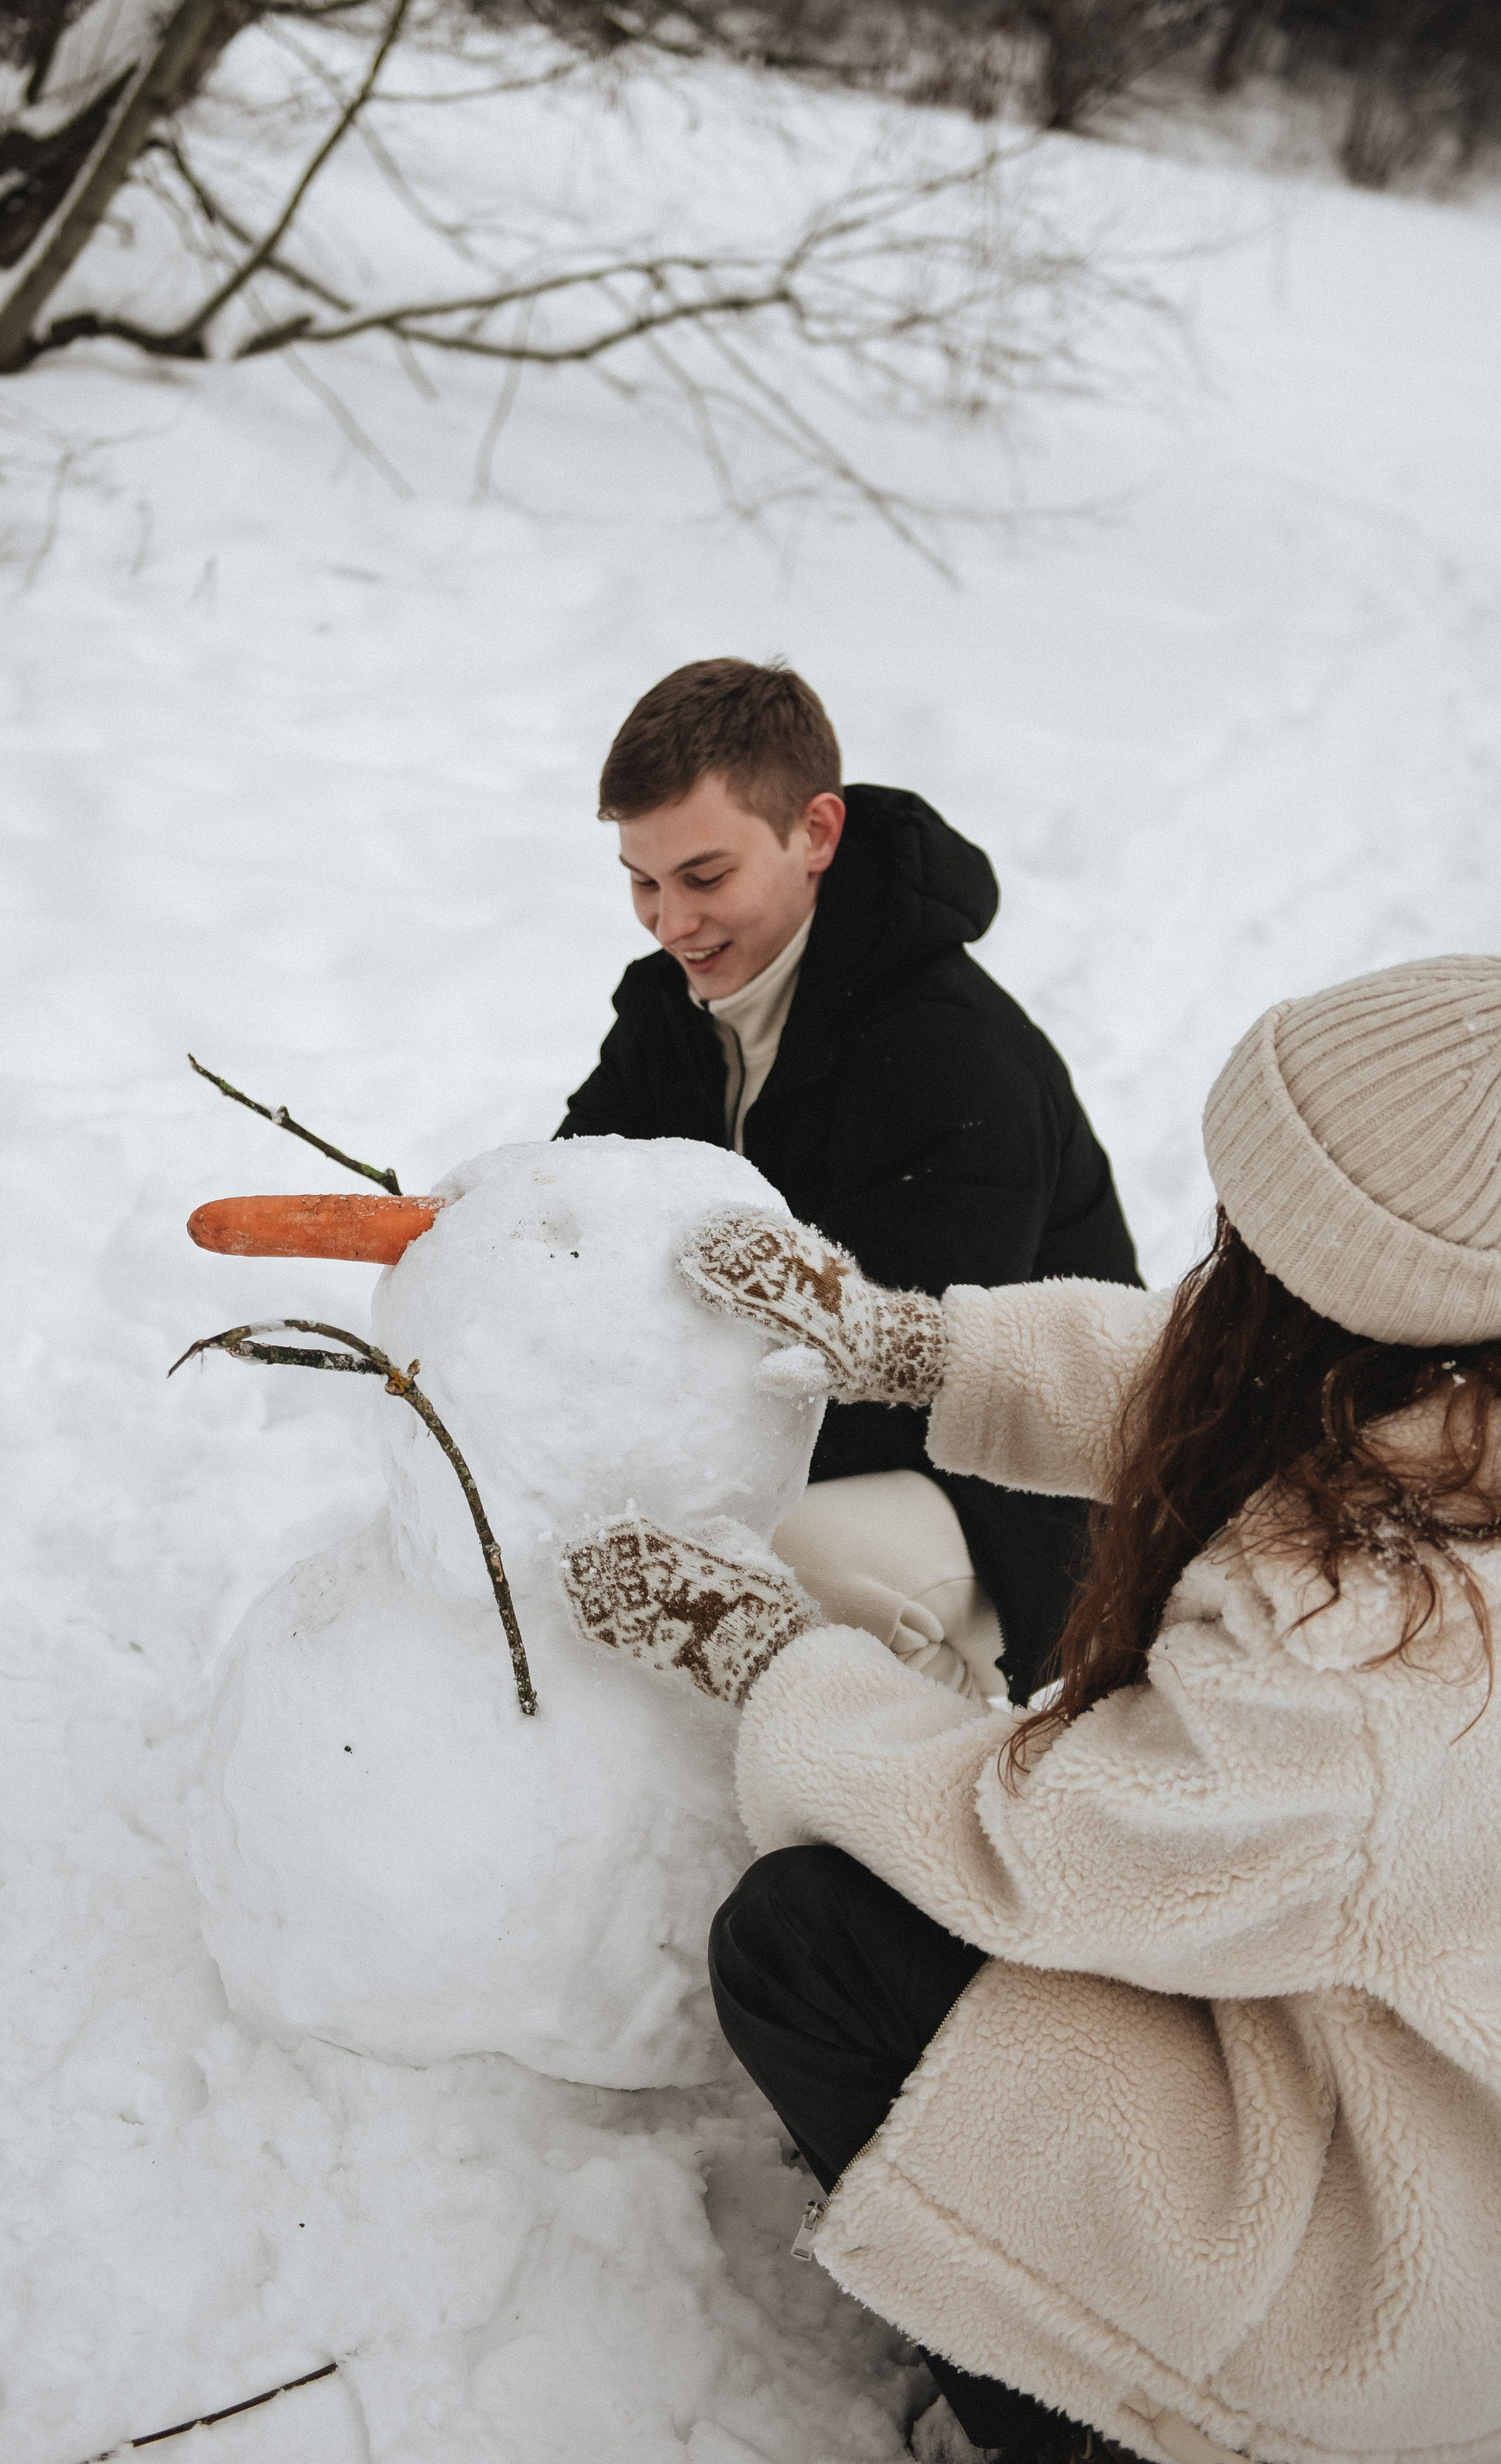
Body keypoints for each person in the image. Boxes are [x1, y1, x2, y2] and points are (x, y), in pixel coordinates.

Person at [560, 955, 1501, 2464]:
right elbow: (1216, 1387)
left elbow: (1042, 1849)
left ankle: (1081, 2414)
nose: (1221, 1257)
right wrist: (924, 1345)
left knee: (812, 1943)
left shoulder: (1377, 1657)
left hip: (1382, 2246)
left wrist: (768, 1656)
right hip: (1351, 2018)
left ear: (1368, 1297)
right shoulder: (1445, 1407)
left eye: (1254, 1239)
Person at [559, 656, 1141, 1705]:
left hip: (1023, 1494)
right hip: (807, 1425)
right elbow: (579, 1208)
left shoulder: (950, 1054)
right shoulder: (670, 1011)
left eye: (704, 877)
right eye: (642, 882)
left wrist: (665, 1438)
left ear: (816, 834)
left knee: (786, 1559)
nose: (668, 922)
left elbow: (913, 1377)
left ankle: (930, 1803)